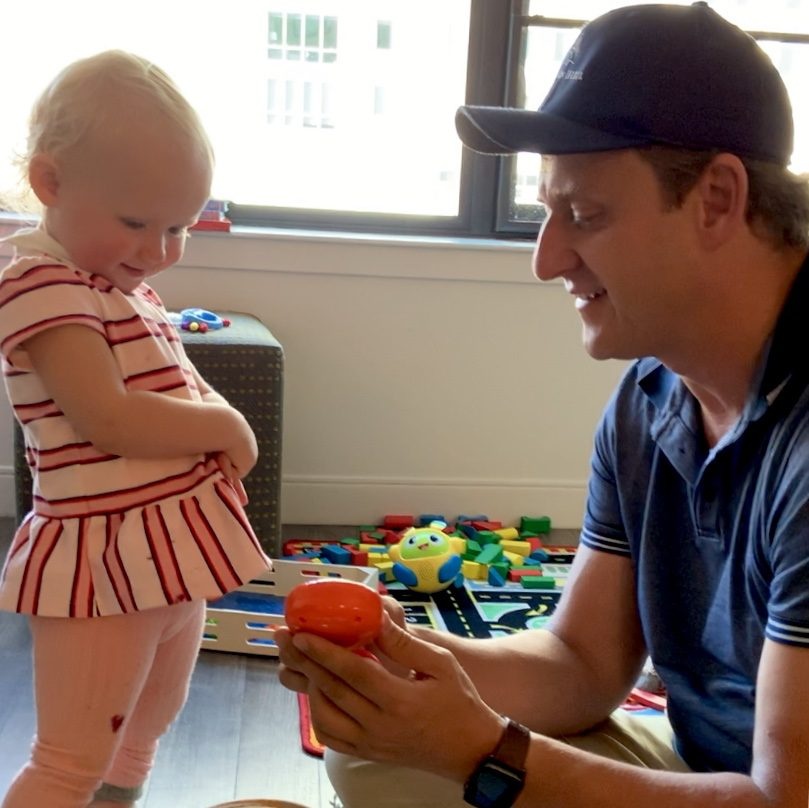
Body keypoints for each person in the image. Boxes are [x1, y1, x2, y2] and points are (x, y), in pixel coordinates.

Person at [276, 4, 809, 808]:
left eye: (583, 215)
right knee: (379, 755)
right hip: (712, 767)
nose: (545, 259)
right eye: (546, 211)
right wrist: (399, 655)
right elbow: (581, 668)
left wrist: (487, 753)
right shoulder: (652, 395)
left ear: (716, 198)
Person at [0, 51, 272, 808]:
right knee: (71, 756)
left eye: (179, 226)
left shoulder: (117, 283)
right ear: (51, 184)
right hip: (105, 556)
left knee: (144, 726)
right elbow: (106, 415)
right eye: (135, 223)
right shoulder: (38, 282)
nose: (157, 251)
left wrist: (211, 411)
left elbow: (172, 376)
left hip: (168, 548)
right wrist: (225, 424)